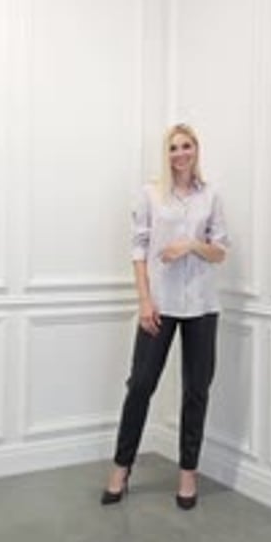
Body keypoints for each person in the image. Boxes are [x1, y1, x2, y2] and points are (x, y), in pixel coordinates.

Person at [101, 123, 229, 510]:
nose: (180, 153)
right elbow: (138, 249)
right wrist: (144, 300)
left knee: (196, 390)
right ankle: (122, 468)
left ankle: (188, 473)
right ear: (167, 153)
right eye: (174, 147)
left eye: (187, 146)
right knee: (140, 384)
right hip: (160, 303)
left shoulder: (211, 196)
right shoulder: (151, 194)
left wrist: (191, 244)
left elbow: (221, 251)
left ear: (196, 150)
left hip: (202, 307)